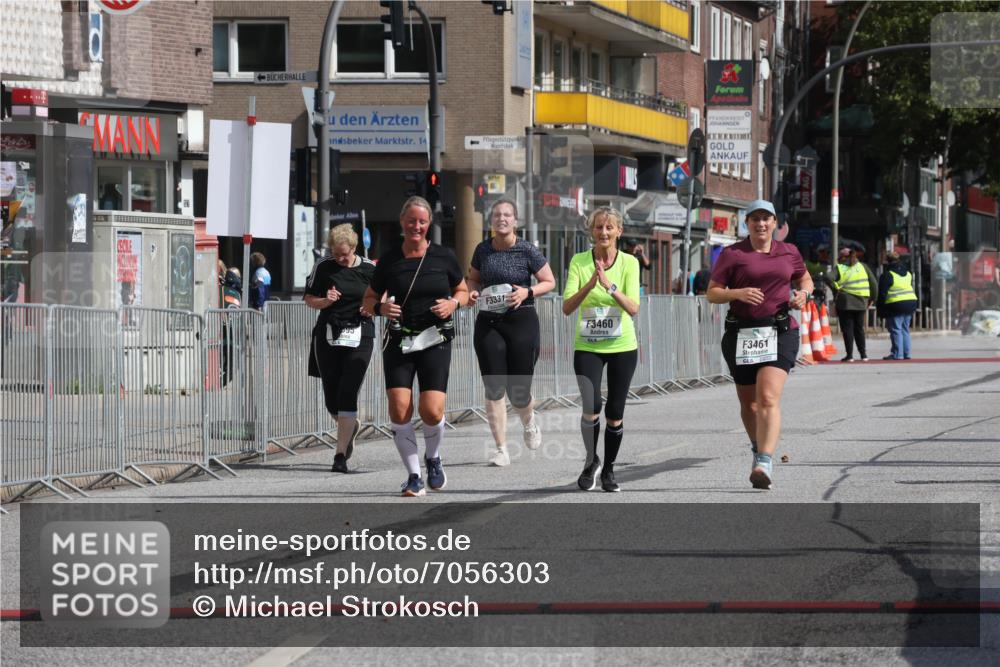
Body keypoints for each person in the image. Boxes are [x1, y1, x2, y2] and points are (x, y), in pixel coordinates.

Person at [363, 196, 468, 497]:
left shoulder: (443, 257)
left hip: (435, 339)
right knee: (399, 408)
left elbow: (462, 290)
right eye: (412, 221)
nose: (416, 226)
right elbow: (369, 299)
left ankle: (433, 457)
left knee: (432, 411)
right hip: (399, 340)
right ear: (402, 222)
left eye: (422, 221)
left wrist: (453, 303)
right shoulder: (390, 260)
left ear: (429, 224)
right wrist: (380, 309)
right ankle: (413, 476)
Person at [707, 199, 813, 490]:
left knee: (767, 396)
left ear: (775, 222)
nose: (761, 224)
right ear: (747, 224)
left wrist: (803, 295)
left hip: (779, 331)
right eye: (755, 219)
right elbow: (713, 294)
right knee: (749, 404)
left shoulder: (789, 252)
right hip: (742, 334)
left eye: (766, 218)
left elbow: (806, 280)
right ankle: (757, 447)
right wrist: (737, 293)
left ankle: (764, 462)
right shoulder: (732, 254)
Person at [466, 198, 556, 467]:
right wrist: (471, 291)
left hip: (521, 320)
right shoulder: (482, 250)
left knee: (519, 391)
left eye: (507, 215)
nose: (501, 219)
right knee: (494, 386)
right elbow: (473, 278)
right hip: (489, 322)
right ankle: (501, 449)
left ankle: (529, 422)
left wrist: (527, 291)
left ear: (515, 221)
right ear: (491, 221)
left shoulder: (526, 250)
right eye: (497, 215)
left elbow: (549, 281)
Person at [562, 206, 640, 493]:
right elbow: (567, 307)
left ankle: (608, 469)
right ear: (591, 231)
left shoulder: (630, 263)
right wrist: (590, 283)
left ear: (619, 231)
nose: (604, 232)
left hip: (622, 346)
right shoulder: (580, 262)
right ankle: (590, 461)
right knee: (591, 405)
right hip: (588, 346)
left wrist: (609, 287)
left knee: (615, 411)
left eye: (609, 228)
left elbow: (633, 308)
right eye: (598, 227)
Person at [305, 224, 376, 473]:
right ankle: (349, 425)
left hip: (360, 335)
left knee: (348, 391)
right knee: (331, 399)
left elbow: (384, 297)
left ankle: (339, 456)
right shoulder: (324, 267)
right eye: (336, 253)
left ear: (354, 248)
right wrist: (326, 301)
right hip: (328, 335)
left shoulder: (369, 269)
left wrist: (372, 307)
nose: (340, 258)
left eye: (344, 254)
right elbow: (309, 298)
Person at [832, 247, 877, 362]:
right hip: (861, 303)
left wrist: (836, 289)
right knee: (859, 329)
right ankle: (864, 355)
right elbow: (874, 284)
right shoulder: (863, 266)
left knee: (847, 330)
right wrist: (872, 298)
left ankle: (850, 356)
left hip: (845, 303)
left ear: (842, 257)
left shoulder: (840, 268)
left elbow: (828, 277)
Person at [876, 251, 918, 360]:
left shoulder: (887, 275)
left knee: (896, 329)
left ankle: (897, 354)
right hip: (911, 303)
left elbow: (882, 294)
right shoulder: (908, 273)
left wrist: (880, 310)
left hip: (896, 304)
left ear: (887, 261)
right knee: (905, 329)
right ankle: (906, 353)